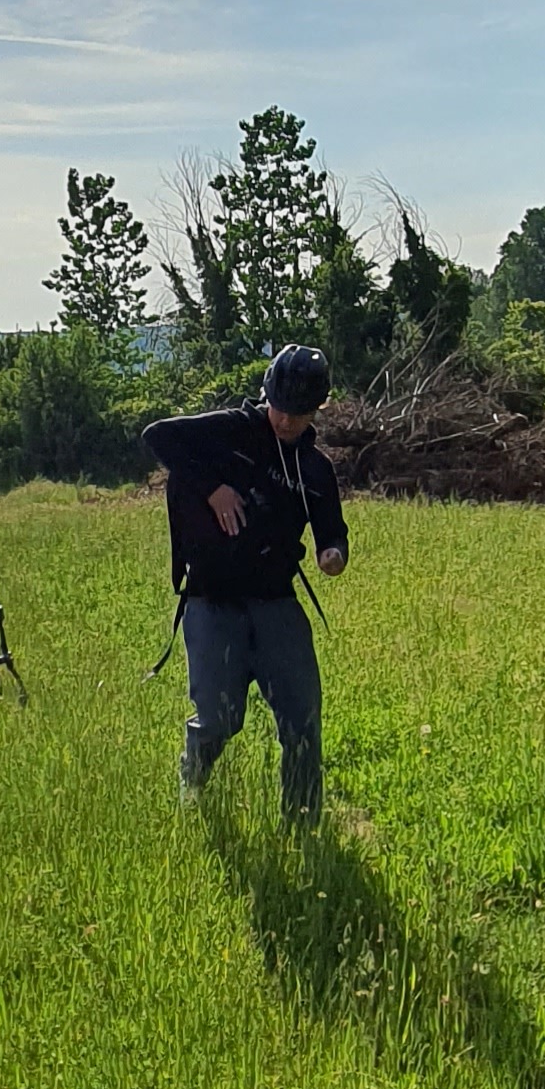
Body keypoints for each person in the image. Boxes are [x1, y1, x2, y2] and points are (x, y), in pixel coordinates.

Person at [140, 342, 350, 820]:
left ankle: (303, 819)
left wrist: (332, 553)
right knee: (219, 719)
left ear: (317, 409)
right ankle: (192, 785)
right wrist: (212, 489)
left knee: (301, 719)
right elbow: (159, 436)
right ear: (266, 394)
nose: (285, 421)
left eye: (298, 414)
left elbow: (331, 529)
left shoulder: (316, 470)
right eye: (279, 407)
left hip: (276, 601)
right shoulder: (232, 430)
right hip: (213, 599)